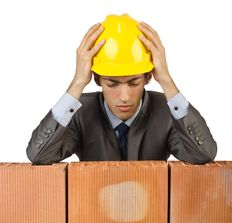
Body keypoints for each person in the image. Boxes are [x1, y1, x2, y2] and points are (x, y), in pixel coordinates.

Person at [26, 14, 217, 164]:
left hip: (152, 212)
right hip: (92, 211)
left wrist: (167, 81)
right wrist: (77, 83)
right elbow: (39, 156)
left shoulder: (167, 112)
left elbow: (203, 156)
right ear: (97, 79)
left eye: (134, 83)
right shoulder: (79, 112)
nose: (124, 97)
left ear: (148, 77)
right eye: (112, 84)